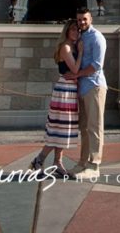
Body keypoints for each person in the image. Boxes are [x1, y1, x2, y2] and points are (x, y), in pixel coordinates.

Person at [29, 19, 81, 177]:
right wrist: (83, 53)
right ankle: (39, 159)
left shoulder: (73, 47)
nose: (76, 32)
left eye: (77, 30)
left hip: (71, 90)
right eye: (72, 29)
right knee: (58, 129)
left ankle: (57, 162)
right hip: (64, 90)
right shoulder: (65, 47)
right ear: (66, 31)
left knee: (64, 130)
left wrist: (77, 75)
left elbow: (76, 72)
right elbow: (75, 68)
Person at [68, 7, 107, 181]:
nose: (82, 22)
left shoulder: (97, 37)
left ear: (91, 18)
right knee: (83, 127)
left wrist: (77, 75)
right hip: (83, 88)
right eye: (79, 20)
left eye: (84, 19)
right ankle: (83, 162)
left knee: (94, 127)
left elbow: (96, 65)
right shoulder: (81, 37)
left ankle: (94, 164)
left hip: (94, 86)